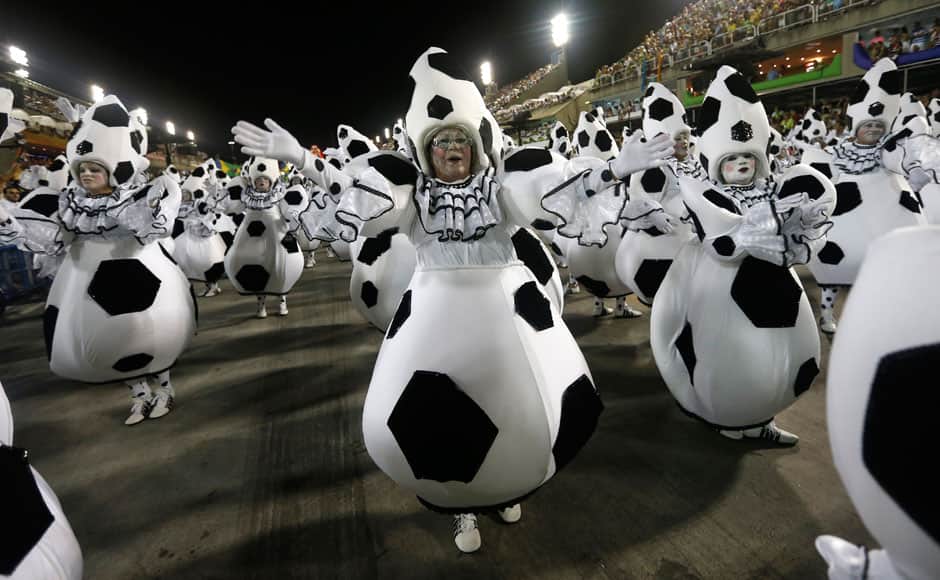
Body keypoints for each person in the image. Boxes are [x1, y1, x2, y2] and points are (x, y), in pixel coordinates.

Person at [233, 46, 672, 554]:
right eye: (440, 142)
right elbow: (350, 188)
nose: (450, 149)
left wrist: (617, 167)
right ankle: (464, 506)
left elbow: (561, 189)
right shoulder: (410, 198)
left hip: (503, 317)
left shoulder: (502, 190)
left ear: (477, 143)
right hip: (432, 319)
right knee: (441, 417)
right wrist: (300, 160)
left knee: (516, 409)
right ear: (425, 152)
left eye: (459, 139)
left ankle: (505, 486)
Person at [645, 65, 836, 445]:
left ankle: (761, 418)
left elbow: (818, 198)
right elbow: (725, 238)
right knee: (732, 356)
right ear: (716, 162)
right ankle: (730, 419)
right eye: (731, 161)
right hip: (716, 281)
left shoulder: (777, 187)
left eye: (747, 159)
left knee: (781, 359)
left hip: (776, 286)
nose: (741, 166)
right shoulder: (704, 191)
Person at [0, 95, 196, 426]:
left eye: (95, 169)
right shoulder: (71, 204)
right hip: (86, 285)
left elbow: (150, 230)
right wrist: (13, 225)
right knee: (113, 345)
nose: (88, 175)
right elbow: (53, 242)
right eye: (84, 169)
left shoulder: (133, 200)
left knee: (149, 336)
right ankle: (139, 396)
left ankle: (164, 390)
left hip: (141, 280)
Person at [803, 59, 930, 333]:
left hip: (884, 223)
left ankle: (886, 314)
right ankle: (826, 314)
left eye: (878, 126)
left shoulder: (890, 151)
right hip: (843, 226)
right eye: (867, 125)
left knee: (887, 275)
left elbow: (913, 167)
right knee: (832, 275)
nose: (873, 130)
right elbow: (822, 175)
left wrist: (919, 167)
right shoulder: (838, 153)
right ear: (855, 124)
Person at [221, 157, 303, 318]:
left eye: (265, 179)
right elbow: (231, 209)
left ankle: (282, 301)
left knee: (279, 266)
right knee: (254, 265)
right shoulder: (247, 196)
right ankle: (261, 304)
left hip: (276, 235)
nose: (262, 182)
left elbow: (287, 211)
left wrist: (293, 215)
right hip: (249, 238)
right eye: (259, 179)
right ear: (253, 181)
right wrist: (220, 197)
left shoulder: (279, 194)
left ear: (272, 181)